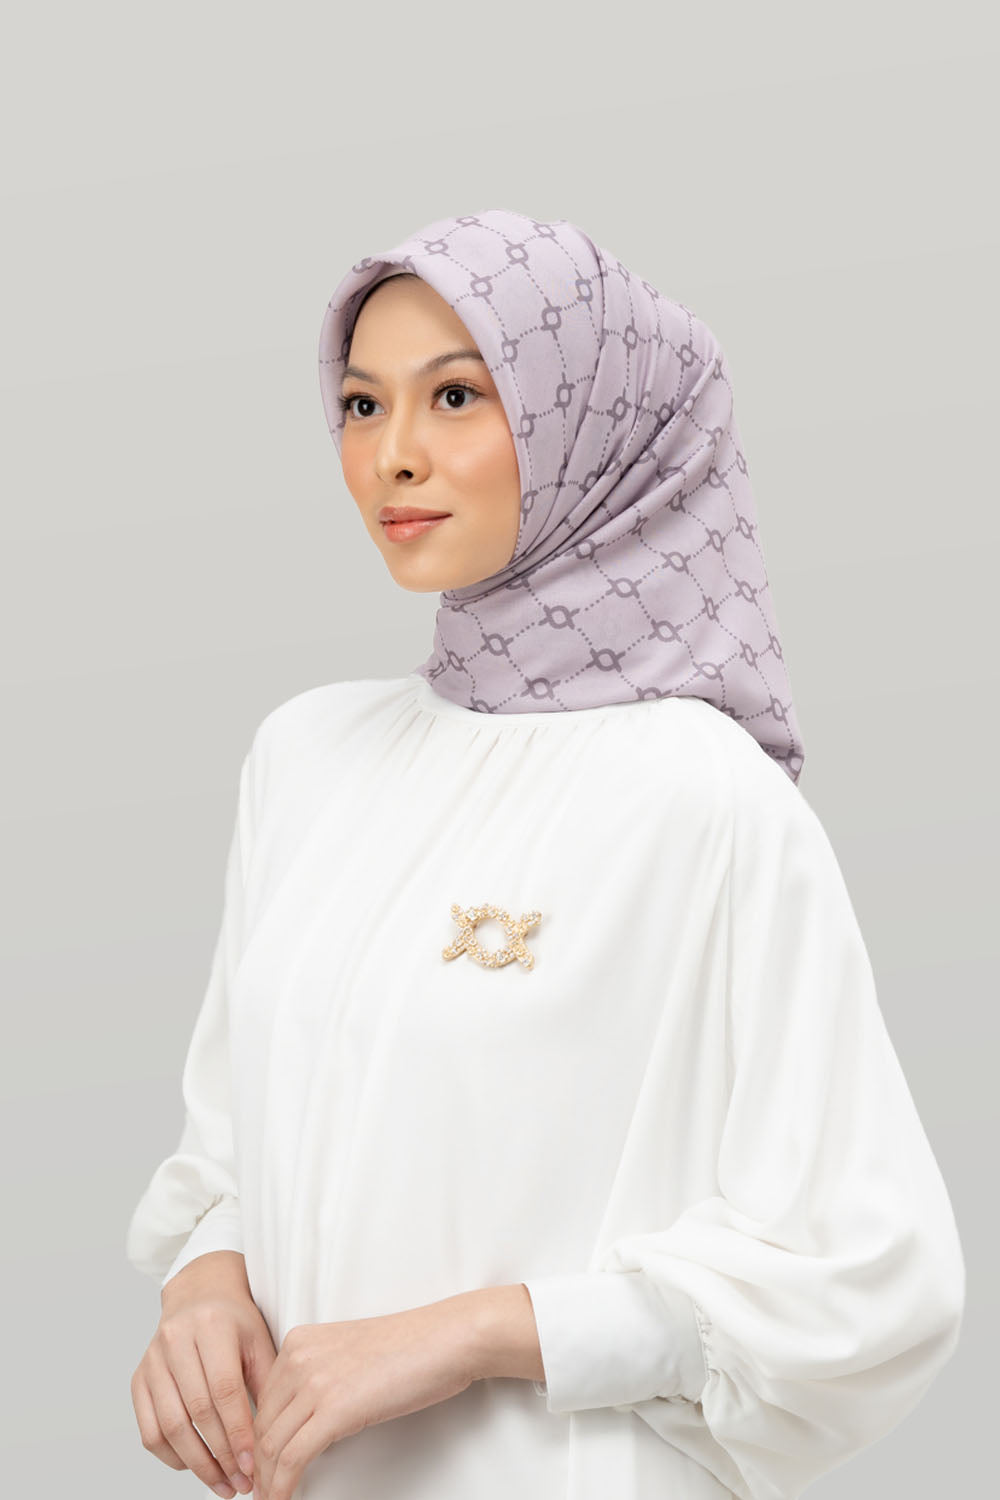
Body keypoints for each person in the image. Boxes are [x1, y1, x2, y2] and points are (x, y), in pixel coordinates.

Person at [125, 208, 965, 1500]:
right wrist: (205, 1278)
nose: (394, 455)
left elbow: (868, 1275)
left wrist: (473, 1334)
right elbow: (236, 1150)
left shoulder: (704, 797)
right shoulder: (305, 758)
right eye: (361, 405)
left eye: (456, 396)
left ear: (594, 421)